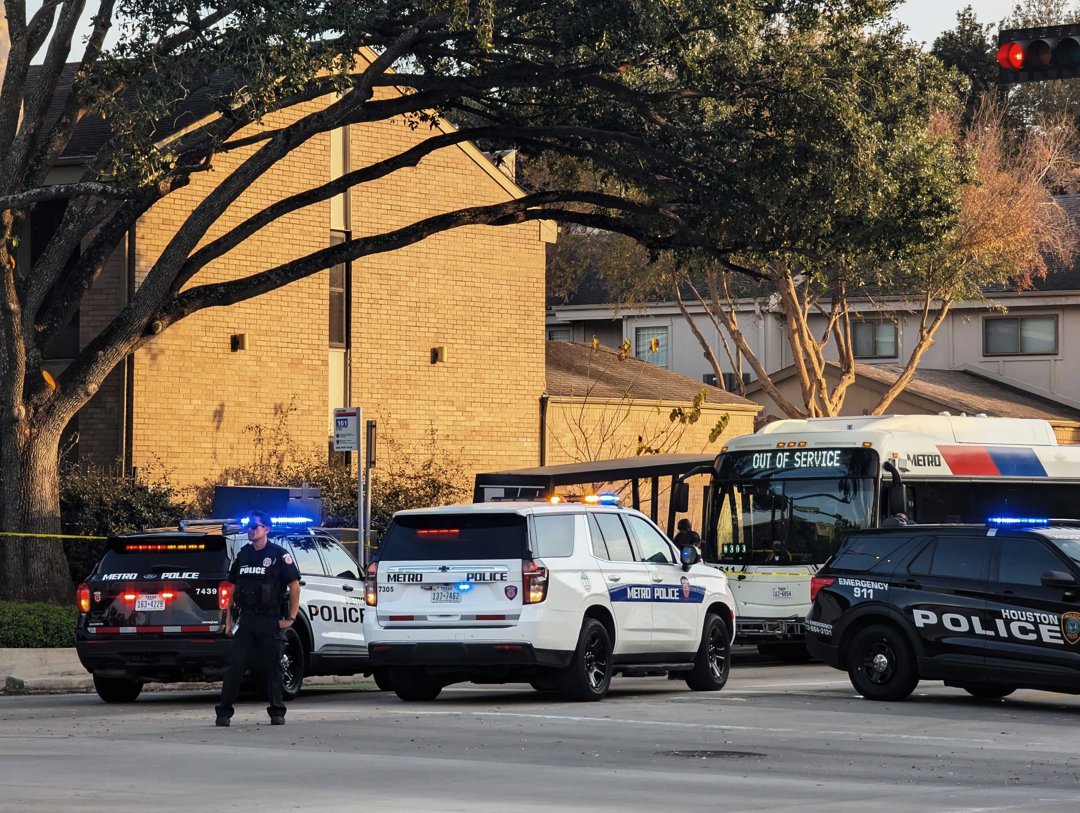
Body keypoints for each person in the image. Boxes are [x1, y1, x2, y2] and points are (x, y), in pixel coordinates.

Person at [215, 510, 301, 727]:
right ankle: (223, 713)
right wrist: (228, 619)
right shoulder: (243, 555)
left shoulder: (279, 555)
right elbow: (231, 588)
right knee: (235, 665)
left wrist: (290, 617)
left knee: (273, 666)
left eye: (255, 526)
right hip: (246, 619)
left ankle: (277, 712)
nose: (251, 530)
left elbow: (294, 587)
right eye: (249, 527)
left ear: (266, 529)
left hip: (270, 618)